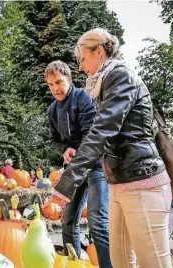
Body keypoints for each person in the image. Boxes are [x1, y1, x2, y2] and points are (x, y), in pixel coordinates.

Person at [48, 28, 172, 268]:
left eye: (83, 59)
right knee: (121, 261)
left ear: (99, 51)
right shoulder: (102, 85)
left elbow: (102, 132)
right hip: (119, 183)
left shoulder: (120, 77)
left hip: (142, 182)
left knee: (153, 262)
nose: (81, 66)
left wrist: (64, 186)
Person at [45, 60, 110, 265]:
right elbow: (54, 140)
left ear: (69, 80)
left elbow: (91, 133)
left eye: (59, 82)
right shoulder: (52, 110)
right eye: (51, 84)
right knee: (67, 220)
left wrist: (77, 151)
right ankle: (74, 263)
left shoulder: (83, 97)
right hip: (74, 169)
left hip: (96, 165)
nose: (55, 88)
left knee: (97, 222)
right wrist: (64, 150)